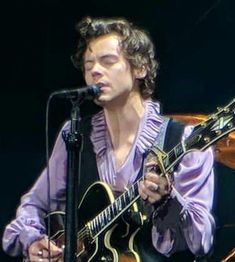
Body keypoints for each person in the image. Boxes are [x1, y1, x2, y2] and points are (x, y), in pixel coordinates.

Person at [2, 16, 215, 261]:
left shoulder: (183, 141)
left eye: (107, 61)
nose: (94, 71)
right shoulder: (75, 134)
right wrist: (32, 240)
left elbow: (201, 240)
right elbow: (33, 206)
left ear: (140, 68)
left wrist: (168, 201)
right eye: (88, 64)